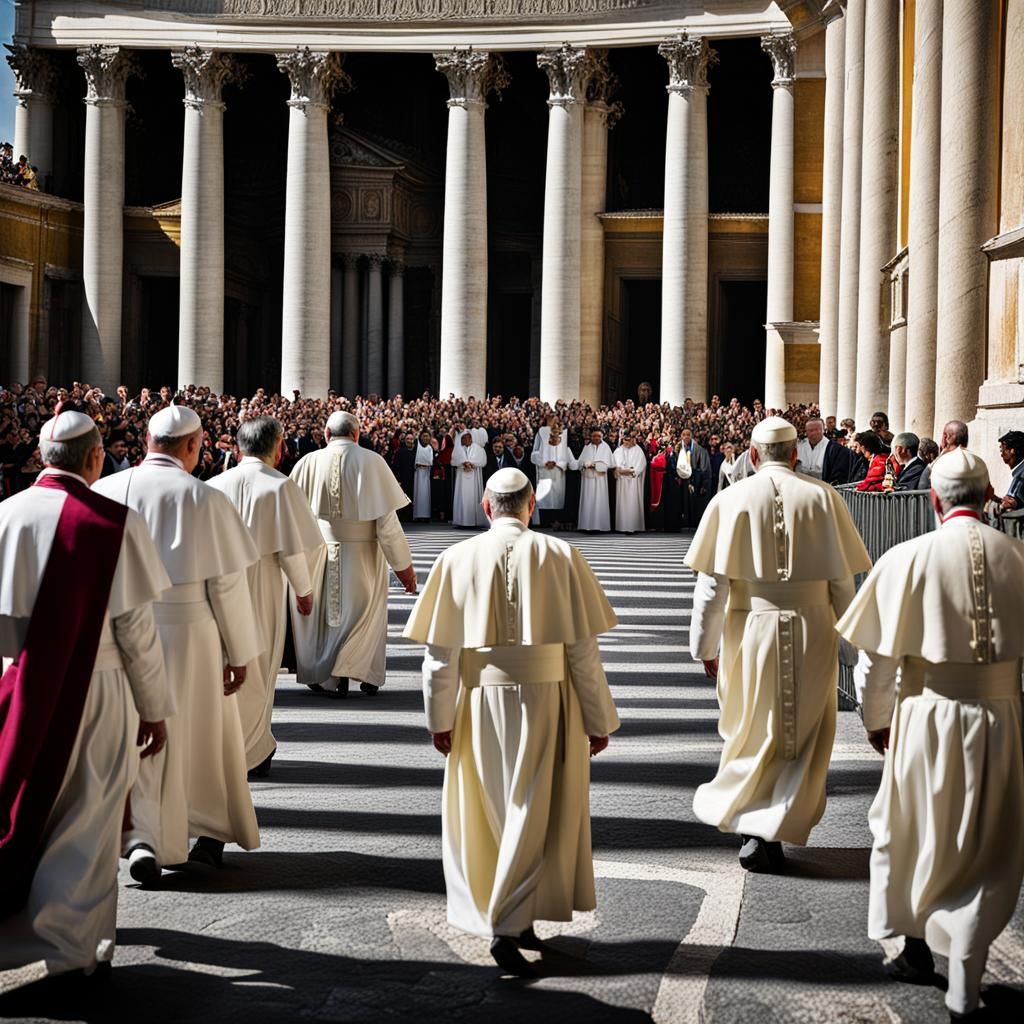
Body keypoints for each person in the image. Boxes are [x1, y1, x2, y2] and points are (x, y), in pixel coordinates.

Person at [404, 468, 620, 977]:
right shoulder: (562, 555)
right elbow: (583, 653)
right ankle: (509, 919)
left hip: (478, 701)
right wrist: (598, 718)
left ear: (484, 506)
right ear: (530, 507)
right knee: (535, 807)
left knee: (494, 808)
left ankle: (510, 915)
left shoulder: (455, 558)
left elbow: (439, 657)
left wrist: (438, 717)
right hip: (548, 700)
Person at [836, 449, 1024, 1022]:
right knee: (989, 843)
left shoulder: (907, 557)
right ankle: (968, 970)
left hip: (925, 714)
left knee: (912, 827)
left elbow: (875, 662)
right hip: (1000, 717)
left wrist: (876, 721)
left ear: (935, 500)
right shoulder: (1017, 556)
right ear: (990, 497)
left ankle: (914, 947)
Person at [0, 408, 171, 986]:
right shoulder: (112, 522)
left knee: (28, 807)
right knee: (88, 816)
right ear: (96, 458)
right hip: (96, 689)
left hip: (17, 685)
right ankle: (71, 949)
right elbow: (136, 631)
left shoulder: (5, 514)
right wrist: (155, 707)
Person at [686, 417, 871, 871]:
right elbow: (842, 583)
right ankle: (776, 824)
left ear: (752, 455)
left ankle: (755, 825)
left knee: (750, 728)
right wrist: (852, 649)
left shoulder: (729, 500)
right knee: (802, 734)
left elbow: (713, 587)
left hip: (750, 629)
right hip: (813, 629)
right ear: (795, 455)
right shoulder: (824, 497)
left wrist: (704, 647)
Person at [94, 404, 263, 881]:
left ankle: (138, 835)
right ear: (193, 445)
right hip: (191, 632)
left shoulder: (104, 490)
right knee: (197, 737)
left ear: (148, 441)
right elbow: (226, 585)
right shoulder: (204, 499)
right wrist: (240, 652)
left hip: (119, 634)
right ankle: (195, 832)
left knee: (133, 735)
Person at [208, 416, 323, 778]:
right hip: (261, 586)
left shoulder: (213, 485)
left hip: (216, 587)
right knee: (259, 669)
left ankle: (228, 746)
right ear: (278, 445)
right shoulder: (280, 486)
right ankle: (253, 748)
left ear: (238, 445)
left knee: (225, 668)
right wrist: (304, 591)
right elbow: (291, 548)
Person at [290, 411, 417, 698]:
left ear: (325, 434)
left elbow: (294, 518)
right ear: (357, 434)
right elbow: (387, 525)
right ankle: (365, 674)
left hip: (321, 551)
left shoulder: (308, 462)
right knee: (364, 616)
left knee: (331, 617)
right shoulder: (372, 462)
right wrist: (404, 568)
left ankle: (332, 677)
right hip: (365, 556)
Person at [531, 421, 572, 528]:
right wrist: (545, 462)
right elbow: (534, 455)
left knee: (557, 498)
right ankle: (545, 521)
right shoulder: (542, 439)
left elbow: (566, 458)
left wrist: (557, 463)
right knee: (545, 497)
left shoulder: (564, 442)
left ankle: (556, 520)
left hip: (558, 474)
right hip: (544, 473)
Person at [576, 428, 613, 533]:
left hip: (600, 479)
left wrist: (597, 465)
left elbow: (610, 463)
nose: (596, 438)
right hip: (588, 479)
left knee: (599, 500)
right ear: (591, 436)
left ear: (602, 437)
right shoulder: (586, 447)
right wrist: (585, 464)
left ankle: (600, 526)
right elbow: (580, 462)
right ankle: (587, 526)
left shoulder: (606, 448)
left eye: (598, 436)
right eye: (594, 436)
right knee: (588, 500)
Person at [450, 430, 488, 528]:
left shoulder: (478, 448)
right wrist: (463, 463)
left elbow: (483, 461)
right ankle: (462, 521)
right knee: (462, 497)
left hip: (474, 475)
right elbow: (453, 461)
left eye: (468, 437)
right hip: (462, 476)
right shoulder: (458, 449)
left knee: (473, 497)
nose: (467, 439)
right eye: (464, 438)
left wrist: (472, 464)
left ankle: (474, 521)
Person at [919, 420, 969, 490]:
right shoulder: (978, 462)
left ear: (947, 437)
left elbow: (923, 485)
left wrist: (941, 455)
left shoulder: (943, 464)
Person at [613, 433, 646, 533]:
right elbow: (615, 464)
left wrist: (633, 471)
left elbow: (641, 464)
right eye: (625, 440)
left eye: (629, 439)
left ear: (633, 439)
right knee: (622, 503)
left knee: (632, 501)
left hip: (633, 481)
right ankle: (622, 526)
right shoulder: (618, 451)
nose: (627, 442)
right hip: (622, 480)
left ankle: (633, 526)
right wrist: (621, 470)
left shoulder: (638, 450)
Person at [994, 430, 1024, 511]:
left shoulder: (1020, 475)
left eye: (1002, 450)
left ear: (1012, 450)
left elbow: (1010, 503)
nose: (1001, 454)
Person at [413, 431, 436, 522]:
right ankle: (416, 515)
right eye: (424, 436)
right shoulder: (416, 447)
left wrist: (426, 465)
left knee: (425, 494)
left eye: (427, 436)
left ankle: (425, 515)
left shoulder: (430, 448)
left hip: (426, 474)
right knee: (417, 493)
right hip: (417, 473)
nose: (425, 438)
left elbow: (430, 461)